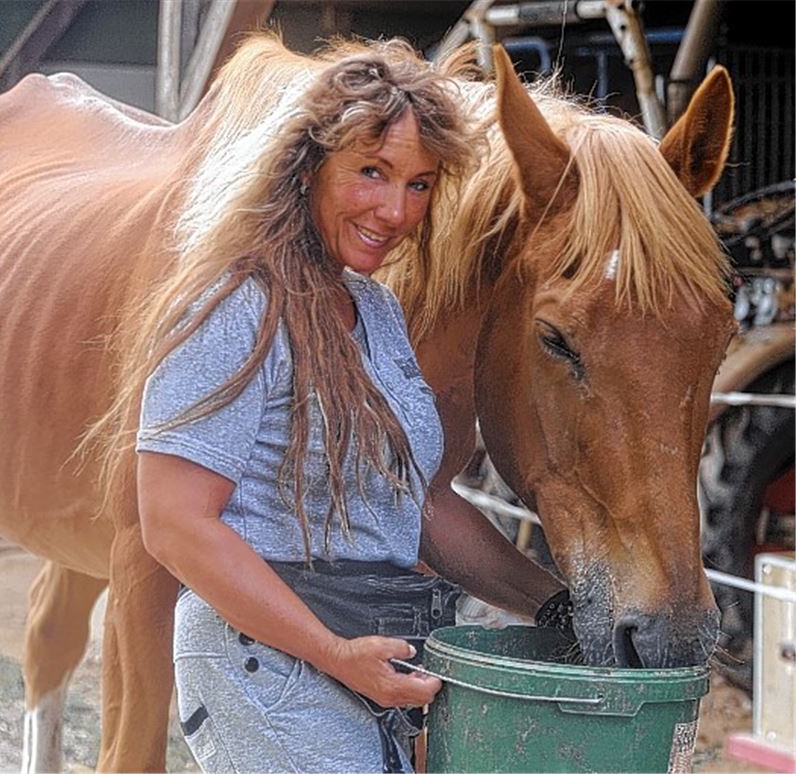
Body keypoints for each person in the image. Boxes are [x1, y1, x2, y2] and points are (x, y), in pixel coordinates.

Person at [128, 40, 567, 772]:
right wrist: (333, 653)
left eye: (421, 185)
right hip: (267, 667)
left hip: (378, 660)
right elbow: (174, 523)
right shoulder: (235, 308)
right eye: (372, 172)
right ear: (307, 166)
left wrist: (552, 605)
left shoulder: (377, 312)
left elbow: (419, 505)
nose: (395, 210)